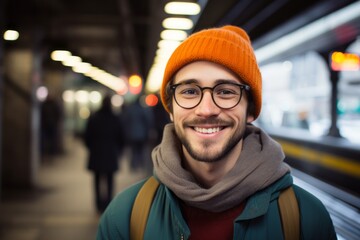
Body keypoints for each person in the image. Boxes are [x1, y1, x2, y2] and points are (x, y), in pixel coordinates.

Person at [96, 25, 336, 239]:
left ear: (250, 109)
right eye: (189, 91)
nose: (206, 109)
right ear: (171, 108)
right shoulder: (125, 217)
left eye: (226, 92)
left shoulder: (305, 219)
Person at [84, 95, 124, 212]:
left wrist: (92, 148)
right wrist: (119, 150)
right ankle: (109, 202)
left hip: (96, 153)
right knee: (110, 179)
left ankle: (98, 204)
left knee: (96, 179)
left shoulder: (94, 118)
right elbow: (121, 137)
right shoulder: (115, 118)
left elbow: (87, 136)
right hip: (111, 153)